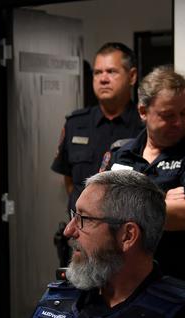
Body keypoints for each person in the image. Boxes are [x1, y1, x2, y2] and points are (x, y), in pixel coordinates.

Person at [5, 170, 185, 318]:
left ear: (127, 235)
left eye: (84, 219)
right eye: (73, 216)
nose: (69, 230)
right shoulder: (55, 303)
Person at [105, 66, 185, 291]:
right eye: (168, 115)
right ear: (143, 111)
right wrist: (162, 199)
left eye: (184, 113)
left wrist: (123, 207)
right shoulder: (121, 153)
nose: (178, 122)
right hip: (128, 285)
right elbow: (99, 211)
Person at [52, 42, 143, 213]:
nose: (103, 79)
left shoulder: (145, 126)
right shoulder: (76, 123)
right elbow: (69, 180)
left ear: (132, 76)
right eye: (97, 72)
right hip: (82, 229)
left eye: (111, 71)